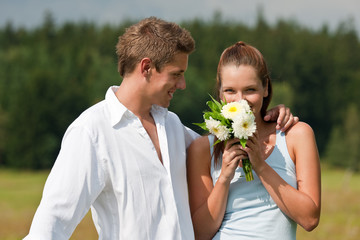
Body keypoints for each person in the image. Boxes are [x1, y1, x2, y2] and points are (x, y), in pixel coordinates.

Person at [24, 18, 297, 240]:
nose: (182, 85)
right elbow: (51, 224)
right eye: (176, 74)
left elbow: (224, 140)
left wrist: (268, 118)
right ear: (146, 68)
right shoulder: (91, 131)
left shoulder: (173, 126)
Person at [186, 41, 321, 240]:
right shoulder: (202, 148)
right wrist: (224, 177)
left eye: (250, 90)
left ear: (265, 88)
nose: (240, 100)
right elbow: (199, 234)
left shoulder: (296, 135)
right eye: (230, 91)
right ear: (220, 92)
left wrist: (260, 165)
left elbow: (310, 219)